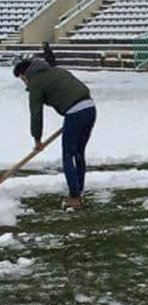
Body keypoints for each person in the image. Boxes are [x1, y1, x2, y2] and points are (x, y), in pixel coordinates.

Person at [13, 59, 96, 210]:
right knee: (78, 153)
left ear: (26, 74)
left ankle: (74, 197)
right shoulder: (58, 71)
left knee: (68, 155)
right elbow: (78, 89)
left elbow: (36, 113)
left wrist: (37, 139)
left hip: (75, 114)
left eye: (22, 79)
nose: (24, 83)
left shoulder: (35, 82)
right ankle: (78, 191)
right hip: (90, 109)